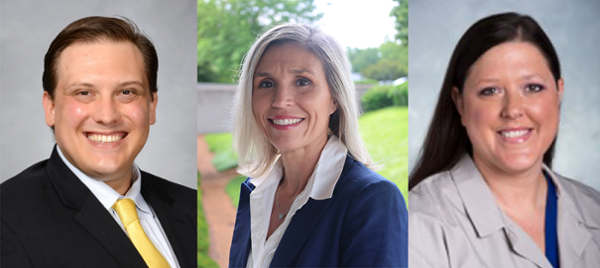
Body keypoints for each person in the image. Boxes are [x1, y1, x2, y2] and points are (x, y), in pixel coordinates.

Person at [1, 16, 196, 268]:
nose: (107, 116)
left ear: (151, 106)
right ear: (50, 107)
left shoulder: (190, 205)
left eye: (127, 92)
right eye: (84, 93)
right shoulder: (7, 221)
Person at [409, 12, 600, 268]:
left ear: (558, 92)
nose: (513, 109)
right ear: (460, 103)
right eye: (491, 91)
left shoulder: (594, 209)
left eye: (532, 87)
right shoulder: (419, 222)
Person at [227, 23, 408, 268]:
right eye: (267, 84)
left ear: (334, 98)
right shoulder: (254, 190)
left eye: (302, 81)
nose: (281, 101)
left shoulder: (372, 200)